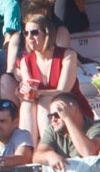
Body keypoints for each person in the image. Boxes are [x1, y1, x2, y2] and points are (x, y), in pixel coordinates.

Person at [10, 13, 89, 143]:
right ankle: (28, 151)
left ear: (47, 33)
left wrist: (39, 93)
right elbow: (30, 90)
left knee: (44, 102)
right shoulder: (25, 61)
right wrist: (22, 92)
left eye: (34, 32)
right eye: (26, 33)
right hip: (43, 112)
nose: (29, 37)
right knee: (27, 104)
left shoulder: (68, 55)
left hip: (69, 106)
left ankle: (49, 147)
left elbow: (63, 91)